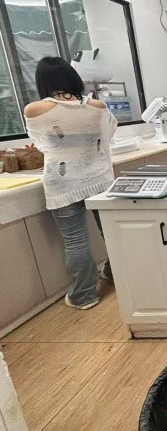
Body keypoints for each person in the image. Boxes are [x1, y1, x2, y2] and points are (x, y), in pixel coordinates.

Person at [24, 56, 116, 310]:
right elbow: (109, 133)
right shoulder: (97, 106)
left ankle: (84, 295)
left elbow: (41, 142)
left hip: (63, 183)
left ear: (43, 81)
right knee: (112, 232)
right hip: (99, 179)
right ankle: (115, 272)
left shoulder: (35, 110)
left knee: (75, 241)